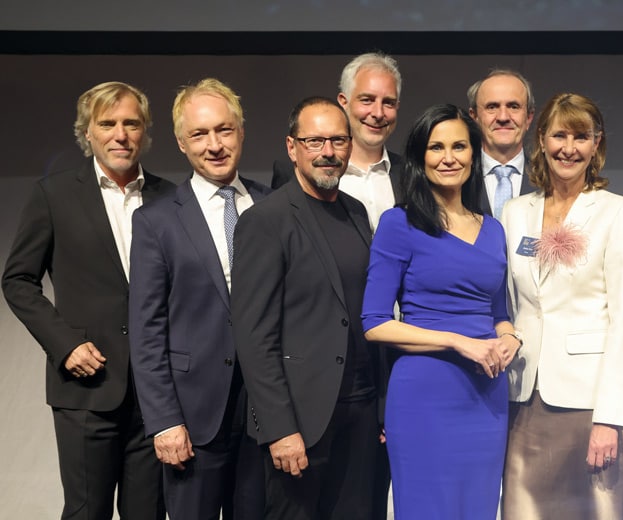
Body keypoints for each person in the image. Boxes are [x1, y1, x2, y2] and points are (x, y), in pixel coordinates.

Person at [2, 81, 173, 519]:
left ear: (145, 131)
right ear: (88, 132)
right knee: (86, 512)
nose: (121, 135)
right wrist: (65, 345)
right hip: (87, 388)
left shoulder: (171, 197)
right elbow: (18, 280)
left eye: (131, 123)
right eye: (108, 123)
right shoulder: (54, 194)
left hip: (157, 393)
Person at [362, 103, 519, 519]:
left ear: (474, 154)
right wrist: (456, 342)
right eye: (436, 147)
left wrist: (510, 337)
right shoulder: (399, 223)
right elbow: (375, 324)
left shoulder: (493, 229)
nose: (449, 158)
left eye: (459, 146)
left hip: (486, 397)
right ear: (420, 156)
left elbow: (499, 312)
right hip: (424, 395)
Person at [232, 96, 382, 520]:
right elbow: (253, 336)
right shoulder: (266, 220)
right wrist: (280, 429)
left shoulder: (356, 212)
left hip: (360, 410)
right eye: (314, 141)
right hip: (301, 420)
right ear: (292, 147)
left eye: (338, 140)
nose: (327, 152)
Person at [128, 78, 269, 520]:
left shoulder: (273, 207)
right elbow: (147, 332)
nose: (214, 145)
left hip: (266, 415)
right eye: (200, 134)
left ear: (241, 131)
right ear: (181, 143)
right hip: (192, 418)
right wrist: (164, 421)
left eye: (224, 130)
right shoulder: (156, 221)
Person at [501, 93, 623, 519]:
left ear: (596, 144)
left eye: (581, 137)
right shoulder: (515, 212)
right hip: (524, 395)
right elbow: (509, 303)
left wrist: (611, 417)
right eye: (559, 135)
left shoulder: (619, 212)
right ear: (541, 140)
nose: (569, 148)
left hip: (589, 401)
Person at [272, 52, 404, 229]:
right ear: (343, 102)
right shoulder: (292, 171)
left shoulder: (411, 173)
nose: (378, 113)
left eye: (388, 103)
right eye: (367, 100)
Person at [467, 69, 536, 218]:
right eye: (492, 107)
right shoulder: (458, 178)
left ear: (529, 118)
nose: (503, 117)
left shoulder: (549, 180)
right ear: (475, 117)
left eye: (513, 106)